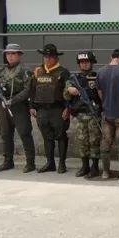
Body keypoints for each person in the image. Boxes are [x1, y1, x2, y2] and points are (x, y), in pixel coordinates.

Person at [0, 43, 35, 173]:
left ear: (19, 55)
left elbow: (27, 90)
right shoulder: (1, 71)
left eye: (13, 53)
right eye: (8, 54)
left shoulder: (25, 71)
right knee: (5, 134)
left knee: (24, 133)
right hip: (4, 104)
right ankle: (8, 161)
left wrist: (13, 101)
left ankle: (30, 163)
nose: (10, 56)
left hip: (19, 105)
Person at [30, 43, 71, 173]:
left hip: (58, 109)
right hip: (42, 110)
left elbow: (68, 92)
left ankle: (62, 164)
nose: (47, 59)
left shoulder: (63, 72)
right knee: (47, 137)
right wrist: (31, 106)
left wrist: (68, 108)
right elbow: (32, 89)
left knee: (61, 136)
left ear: (56, 58)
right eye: (45, 56)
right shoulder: (38, 71)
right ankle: (50, 163)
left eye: (50, 57)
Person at [97, 48, 119, 180]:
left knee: (105, 144)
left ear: (111, 57)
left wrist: (106, 103)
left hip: (107, 114)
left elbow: (100, 92)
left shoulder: (100, 71)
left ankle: (105, 172)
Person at [64, 51, 101, 179]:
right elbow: (66, 95)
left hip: (94, 115)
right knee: (82, 141)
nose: (84, 64)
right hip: (80, 115)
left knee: (94, 141)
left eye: (87, 62)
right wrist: (69, 90)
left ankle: (95, 167)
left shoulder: (97, 77)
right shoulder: (74, 79)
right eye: (82, 62)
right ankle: (84, 166)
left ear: (91, 63)